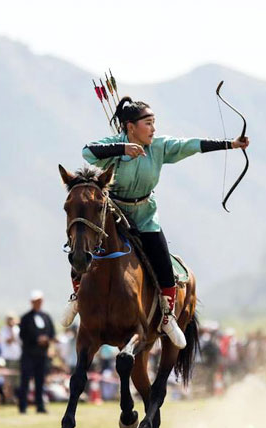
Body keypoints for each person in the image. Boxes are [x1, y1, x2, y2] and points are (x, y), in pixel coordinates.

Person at [60, 96, 250, 349]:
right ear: (130, 126)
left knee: (162, 261)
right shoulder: (114, 144)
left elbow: (191, 145)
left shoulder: (159, 147)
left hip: (146, 214)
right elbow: (87, 152)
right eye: (148, 123)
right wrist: (122, 149)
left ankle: (167, 315)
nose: (153, 129)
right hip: (115, 214)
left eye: (154, 123)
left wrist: (231, 144)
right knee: (83, 242)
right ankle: (77, 296)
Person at [19, 290, 55, 414]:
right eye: (36, 301)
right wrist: (36, 340)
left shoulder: (46, 317)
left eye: (39, 301)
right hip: (29, 354)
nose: (38, 303)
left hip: (42, 355)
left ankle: (40, 406)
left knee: (40, 381)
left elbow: (51, 332)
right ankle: (22, 406)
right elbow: (23, 335)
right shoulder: (25, 318)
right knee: (25, 381)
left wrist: (46, 340)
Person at [0, 313, 21, 403]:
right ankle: (8, 398)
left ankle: (14, 397)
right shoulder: (4, 330)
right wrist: (11, 330)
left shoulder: (17, 329)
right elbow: (9, 341)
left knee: (16, 381)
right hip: (8, 358)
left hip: (17, 357)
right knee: (8, 381)